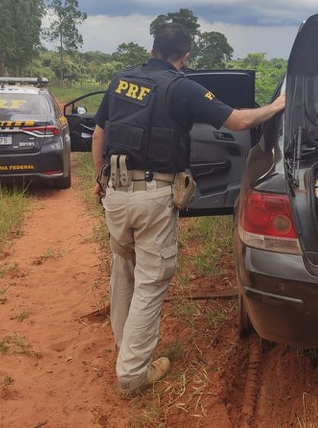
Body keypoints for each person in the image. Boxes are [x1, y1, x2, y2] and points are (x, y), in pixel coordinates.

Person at [92, 22, 285, 398]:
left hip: (114, 192)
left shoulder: (121, 80)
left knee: (124, 270)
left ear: (152, 50)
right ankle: (132, 373)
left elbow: (99, 132)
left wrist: (99, 180)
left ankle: (124, 349)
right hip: (153, 196)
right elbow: (240, 121)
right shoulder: (182, 88)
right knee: (151, 279)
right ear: (185, 56)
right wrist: (276, 106)